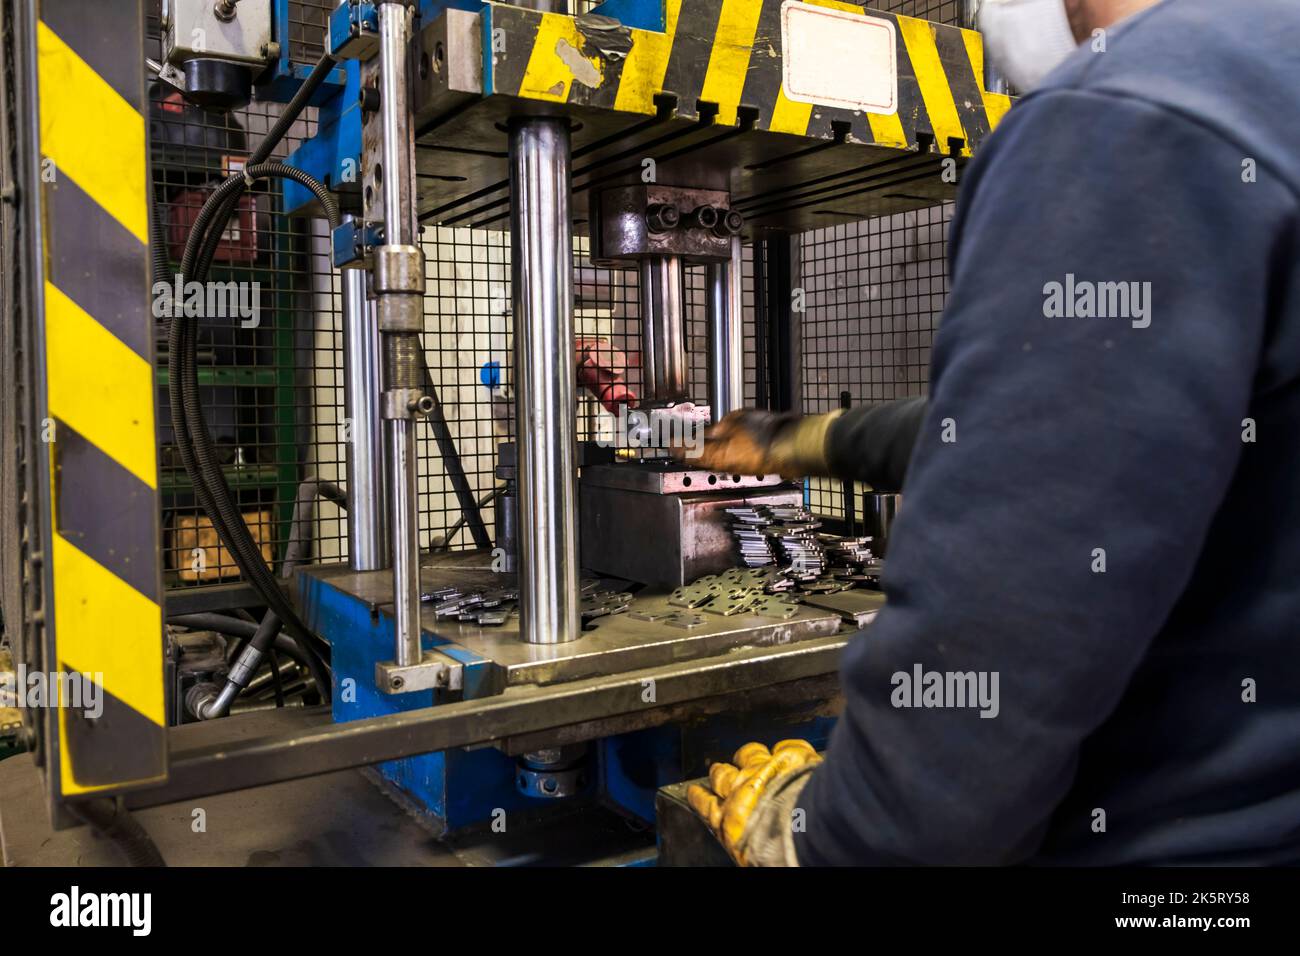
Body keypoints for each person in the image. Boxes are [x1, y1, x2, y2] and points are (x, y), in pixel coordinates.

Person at [685, 0, 1300, 866]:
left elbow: (1004, 630)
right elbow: (1076, 435)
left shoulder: (1128, 110)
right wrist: (795, 439)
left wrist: (827, 837)